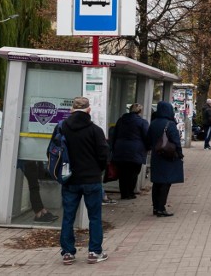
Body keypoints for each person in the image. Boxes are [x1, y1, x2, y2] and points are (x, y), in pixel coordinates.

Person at [59, 97, 110, 266]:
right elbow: (104, 155)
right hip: (91, 179)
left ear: (72, 110)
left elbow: (53, 151)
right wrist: (98, 170)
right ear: (89, 110)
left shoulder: (62, 128)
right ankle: (94, 252)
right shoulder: (95, 130)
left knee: (68, 217)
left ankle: (67, 253)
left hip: (70, 179)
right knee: (94, 217)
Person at [148, 101, 184, 217]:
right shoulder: (170, 124)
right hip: (168, 156)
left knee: (157, 182)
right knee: (166, 182)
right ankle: (161, 208)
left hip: (156, 156)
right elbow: (176, 141)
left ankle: (155, 207)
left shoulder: (153, 123)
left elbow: (148, 139)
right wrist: (180, 154)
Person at [110, 103, 150, 200]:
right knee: (133, 172)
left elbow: (114, 135)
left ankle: (124, 193)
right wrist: (148, 148)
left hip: (120, 149)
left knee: (122, 172)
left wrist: (113, 147)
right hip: (135, 150)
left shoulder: (121, 120)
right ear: (140, 111)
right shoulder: (142, 122)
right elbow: (147, 137)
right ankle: (130, 193)